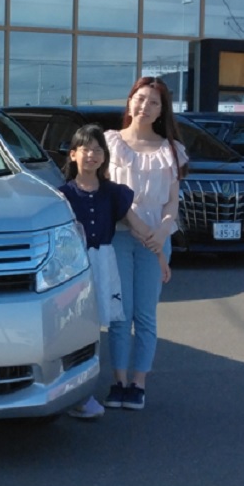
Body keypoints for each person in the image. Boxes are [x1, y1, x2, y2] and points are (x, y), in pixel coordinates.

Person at [58, 124, 170, 420]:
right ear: (73, 154)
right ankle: (78, 392)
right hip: (75, 267)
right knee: (78, 328)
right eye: (86, 149)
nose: (92, 155)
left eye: (98, 150)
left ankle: (101, 388)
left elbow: (139, 226)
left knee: (103, 323)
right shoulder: (61, 195)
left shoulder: (113, 193)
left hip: (105, 264)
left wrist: (160, 257)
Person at [102, 77, 187, 411]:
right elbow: (106, 193)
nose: (145, 106)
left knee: (145, 315)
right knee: (120, 314)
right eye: (140, 99)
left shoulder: (170, 149)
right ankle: (119, 381)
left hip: (155, 241)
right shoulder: (110, 142)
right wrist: (133, 223)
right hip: (119, 237)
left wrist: (164, 230)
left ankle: (138, 383)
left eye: (153, 102)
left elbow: (172, 201)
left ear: (162, 110)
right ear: (129, 101)